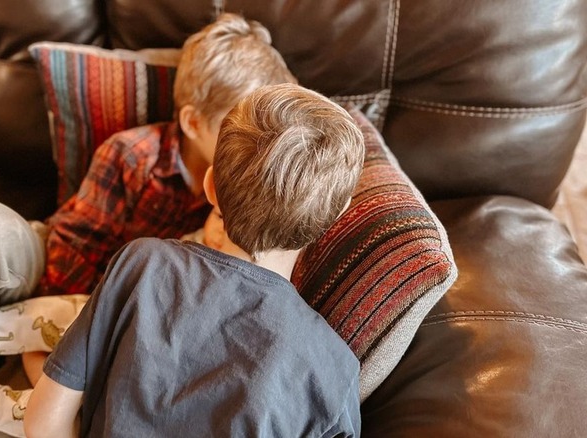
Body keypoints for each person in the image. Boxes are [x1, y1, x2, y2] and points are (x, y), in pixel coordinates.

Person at [0, 12, 296, 426]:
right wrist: (45, 343)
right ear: (193, 122)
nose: (253, 145)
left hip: (116, 333)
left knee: (13, 423)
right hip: (55, 278)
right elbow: (70, 253)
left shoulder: (253, 188)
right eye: (236, 129)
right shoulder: (132, 156)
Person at [23, 83, 366, 437]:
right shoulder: (333, 370)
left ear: (210, 185)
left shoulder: (142, 265)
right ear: (335, 217)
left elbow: (43, 421)